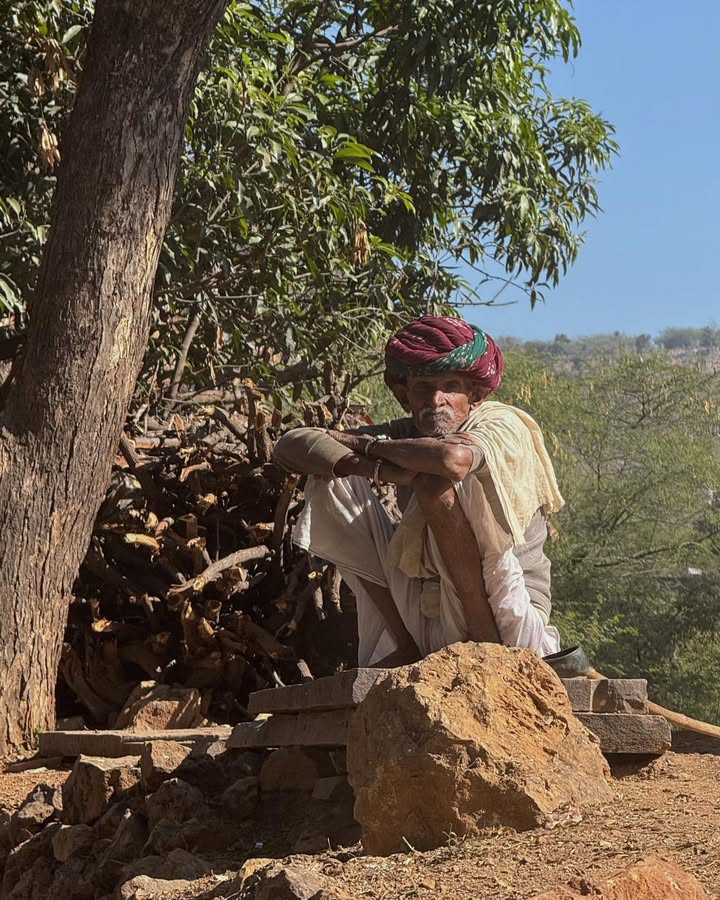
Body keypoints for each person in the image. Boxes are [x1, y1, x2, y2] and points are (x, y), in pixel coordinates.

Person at [272, 315, 564, 667]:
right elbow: (289, 446)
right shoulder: (406, 432)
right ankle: (405, 643)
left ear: (475, 394)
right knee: (331, 474)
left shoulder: (501, 422)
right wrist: (371, 468)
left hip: (509, 621)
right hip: (431, 621)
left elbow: (453, 460)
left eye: (451, 386)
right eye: (423, 388)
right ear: (403, 394)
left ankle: (489, 656)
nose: (437, 400)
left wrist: (366, 446)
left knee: (435, 482)